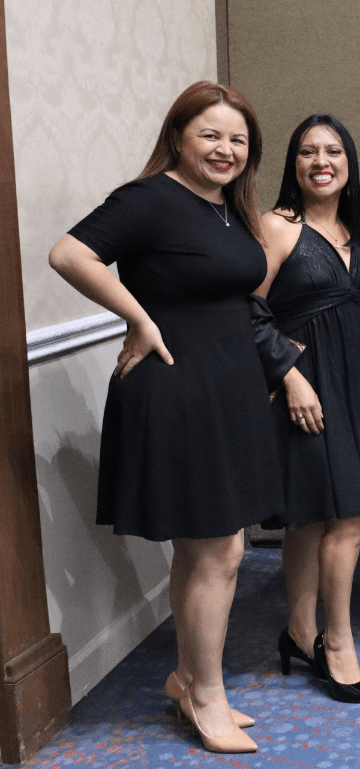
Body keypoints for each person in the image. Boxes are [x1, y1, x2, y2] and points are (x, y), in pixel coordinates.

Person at [48, 81, 274, 753]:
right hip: (179, 387)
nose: (226, 149)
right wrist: (138, 317)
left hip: (227, 387)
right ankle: (206, 696)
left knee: (206, 549)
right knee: (220, 551)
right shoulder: (147, 200)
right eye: (211, 134)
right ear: (178, 136)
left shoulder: (229, 209)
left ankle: (188, 677)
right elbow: (69, 253)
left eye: (238, 140)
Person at [253, 115, 360, 703]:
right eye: (307, 152)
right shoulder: (277, 228)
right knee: (350, 517)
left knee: (309, 515)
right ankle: (338, 642)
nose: (320, 161)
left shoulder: (357, 231)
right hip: (304, 388)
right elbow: (243, 308)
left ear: (349, 162)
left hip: (353, 384)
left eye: (332, 151)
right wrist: (289, 374)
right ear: (293, 165)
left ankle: (300, 632)